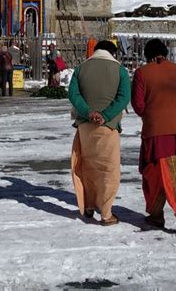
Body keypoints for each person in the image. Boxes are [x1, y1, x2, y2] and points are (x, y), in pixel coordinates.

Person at [68, 40, 131, 225]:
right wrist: (105, 115)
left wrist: (88, 112)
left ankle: (88, 205)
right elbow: (124, 97)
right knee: (108, 169)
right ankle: (106, 213)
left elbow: (73, 94)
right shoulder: (120, 70)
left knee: (88, 166)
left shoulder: (81, 68)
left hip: (85, 125)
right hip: (109, 126)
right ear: (112, 52)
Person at [131, 39, 176, 233]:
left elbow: (138, 106)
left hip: (156, 132)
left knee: (158, 175)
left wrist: (152, 113)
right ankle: (157, 215)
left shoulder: (142, 73)